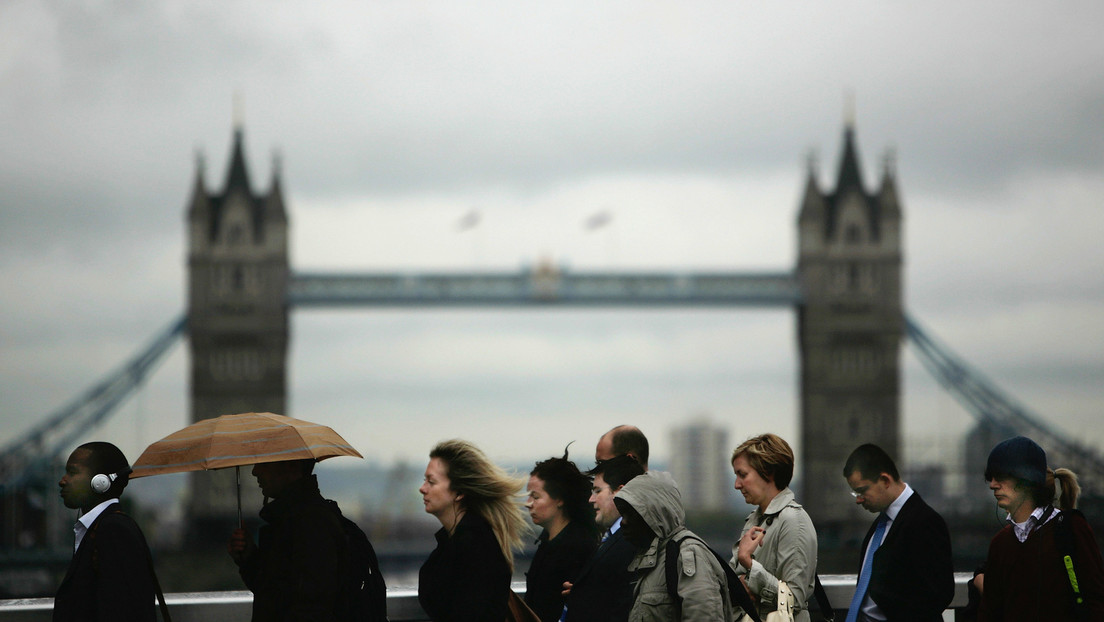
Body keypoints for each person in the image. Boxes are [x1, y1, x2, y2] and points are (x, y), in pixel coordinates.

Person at [976, 436, 1104, 621]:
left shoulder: (1070, 529)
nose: (993, 485)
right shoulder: (1000, 543)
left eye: (1001, 476)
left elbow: (1096, 599)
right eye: (991, 477)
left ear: (1026, 480)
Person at [418, 439, 529, 622]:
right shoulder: (456, 541)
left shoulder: (477, 547)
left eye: (431, 481)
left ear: (459, 492)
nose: (422, 489)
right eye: (424, 480)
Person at [842, 443, 954, 622]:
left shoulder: (925, 522)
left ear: (885, 480)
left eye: (862, 491)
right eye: (855, 493)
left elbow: (937, 595)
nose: (859, 500)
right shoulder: (882, 524)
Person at [227, 458, 347, 621]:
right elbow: (276, 594)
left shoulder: (309, 524)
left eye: (264, 463)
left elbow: (309, 607)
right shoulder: (295, 520)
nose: (255, 471)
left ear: (292, 466)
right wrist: (250, 558)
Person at [54, 441, 157, 622]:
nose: (62, 480)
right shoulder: (102, 527)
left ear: (100, 482)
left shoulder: (113, 531)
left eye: (72, 472)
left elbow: (122, 611)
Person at [613, 471, 732, 621]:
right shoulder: (651, 557)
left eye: (632, 514)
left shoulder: (688, 554)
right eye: (623, 514)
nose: (623, 522)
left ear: (656, 513)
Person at [730, 433, 817, 622]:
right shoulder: (755, 519)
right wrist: (740, 583)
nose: (737, 484)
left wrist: (749, 565)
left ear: (768, 472)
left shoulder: (794, 520)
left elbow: (793, 599)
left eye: (742, 475)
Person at [562, 454, 646, 622]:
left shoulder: (631, 543)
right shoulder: (614, 539)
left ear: (620, 492)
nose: (591, 499)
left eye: (598, 491)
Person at [524, 450, 599, 622]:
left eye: (535, 496)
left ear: (559, 499)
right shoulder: (548, 542)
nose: (528, 504)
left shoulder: (577, 548)